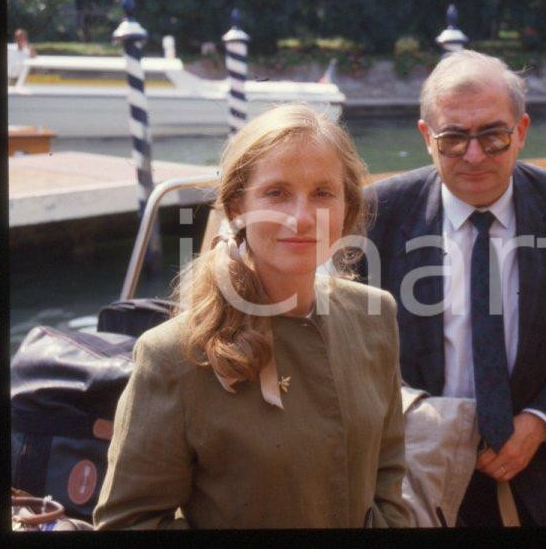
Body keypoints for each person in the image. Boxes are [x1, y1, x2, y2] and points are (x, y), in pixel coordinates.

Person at [93, 104, 411, 529]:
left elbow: (388, 475)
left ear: (347, 209)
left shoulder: (374, 317)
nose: (301, 218)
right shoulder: (173, 355)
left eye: (322, 193)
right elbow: (128, 521)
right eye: (276, 193)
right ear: (236, 208)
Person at [358, 50, 546, 526]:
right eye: (453, 138)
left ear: (521, 131)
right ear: (426, 137)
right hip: (413, 470)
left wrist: (541, 420)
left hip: (537, 469)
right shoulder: (378, 214)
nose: (474, 156)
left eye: (493, 136)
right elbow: (354, 348)